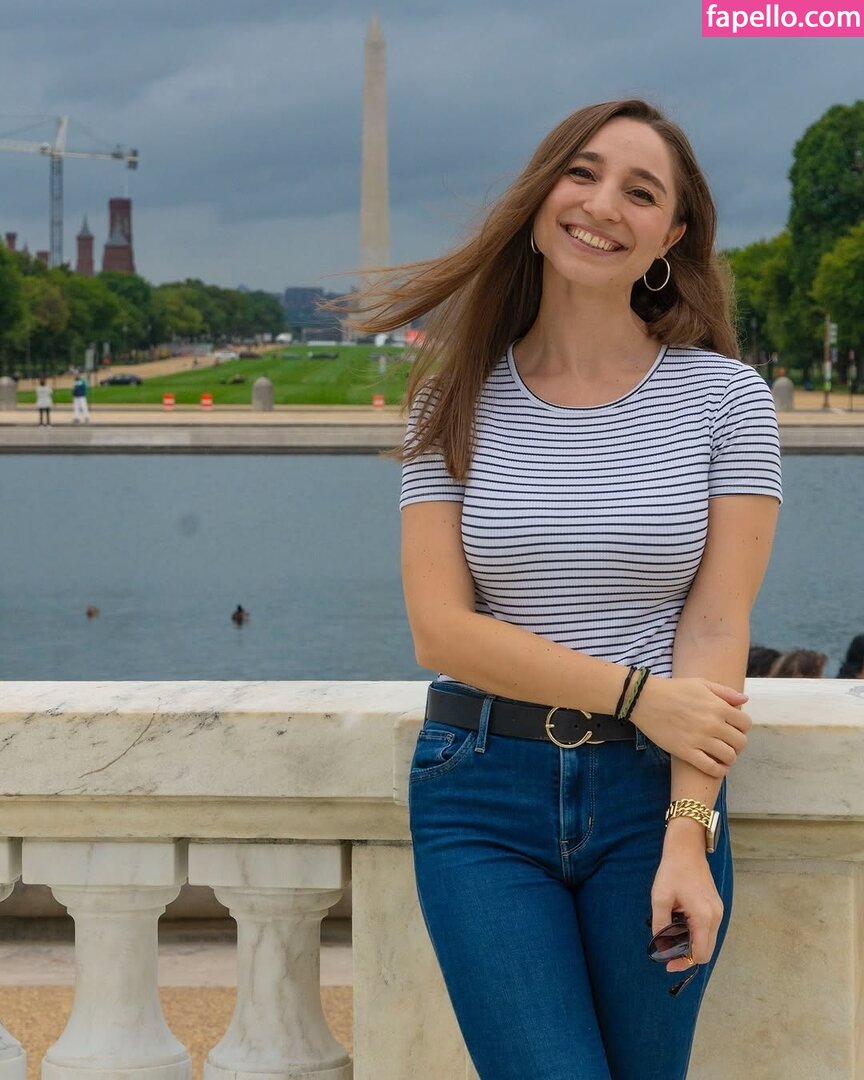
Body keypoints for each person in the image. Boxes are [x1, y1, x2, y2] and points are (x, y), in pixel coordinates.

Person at [343, 98, 782, 1079]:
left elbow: (715, 625)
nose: (602, 204)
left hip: (652, 798)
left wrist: (688, 837)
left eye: (641, 191)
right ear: (541, 197)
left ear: (672, 237)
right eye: (581, 173)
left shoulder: (727, 400)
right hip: (480, 797)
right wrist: (638, 695)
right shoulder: (451, 396)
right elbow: (440, 631)